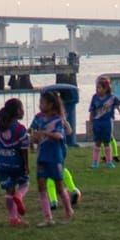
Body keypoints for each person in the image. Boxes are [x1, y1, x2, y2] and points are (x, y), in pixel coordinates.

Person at [29, 89, 75, 225]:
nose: (40, 105)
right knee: (41, 186)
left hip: (55, 156)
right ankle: (47, 218)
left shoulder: (57, 120)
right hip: (42, 155)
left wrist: (44, 133)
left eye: (42, 102)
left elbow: (59, 136)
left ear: (51, 104)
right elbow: (33, 132)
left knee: (59, 186)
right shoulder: (38, 118)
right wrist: (32, 140)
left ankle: (68, 211)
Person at [0, 97, 32, 227]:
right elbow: (24, 149)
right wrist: (26, 165)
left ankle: (13, 218)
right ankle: (19, 196)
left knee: (8, 191)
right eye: (22, 109)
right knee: (24, 184)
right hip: (16, 163)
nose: (23, 111)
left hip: (2, 164)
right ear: (17, 112)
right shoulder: (20, 129)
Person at [88, 75, 120, 169]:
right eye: (96, 87)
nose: (97, 89)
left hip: (107, 123)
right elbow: (91, 111)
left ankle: (109, 161)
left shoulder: (112, 98)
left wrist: (118, 111)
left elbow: (118, 103)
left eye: (99, 87)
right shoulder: (94, 98)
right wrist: (91, 123)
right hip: (97, 123)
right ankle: (95, 162)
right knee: (97, 142)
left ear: (106, 88)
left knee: (107, 142)